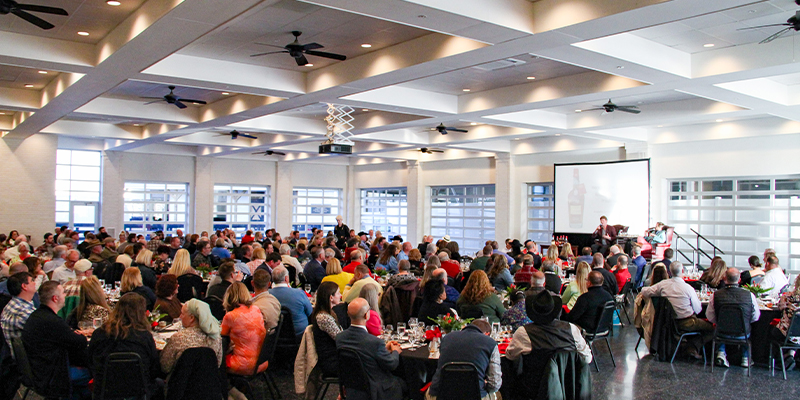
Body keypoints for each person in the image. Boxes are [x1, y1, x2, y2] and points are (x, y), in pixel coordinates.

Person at [21, 281, 91, 398]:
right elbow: (80, 342)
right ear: (55, 298)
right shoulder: (52, 321)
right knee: (95, 372)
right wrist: (81, 335)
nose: (65, 296)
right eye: (63, 293)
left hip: (39, 370)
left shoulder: (37, 316)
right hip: (51, 375)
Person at [88, 293, 161, 397]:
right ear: (141, 313)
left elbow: (90, 361)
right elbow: (154, 369)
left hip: (104, 388)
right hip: (139, 388)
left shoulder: (99, 334)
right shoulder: (144, 336)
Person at [335, 298, 405, 400]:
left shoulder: (340, 338)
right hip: (376, 389)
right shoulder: (374, 342)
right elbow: (391, 364)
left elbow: (359, 352)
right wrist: (395, 351)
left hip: (353, 388)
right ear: (366, 315)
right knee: (407, 382)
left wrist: (384, 349)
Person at [640, 262, 711, 359]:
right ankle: (692, 346)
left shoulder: (663, 285)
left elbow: (644, 291)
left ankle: (686, 346)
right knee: (712, 329)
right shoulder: (688, 288)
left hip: (666, 322)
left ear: (670, 271)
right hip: (686, 322)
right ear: (682, 271)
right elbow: (698, 310)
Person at [506, 290, 592, 365]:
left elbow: (510, 355)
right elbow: (587, 358)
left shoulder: (524, 333)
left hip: (534, 381)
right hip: (566, 380)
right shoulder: (571, 329)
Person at [427, 319, 501, 400]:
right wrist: (484, 387)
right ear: (487, 334)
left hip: (440, 394)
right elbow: (494, 383)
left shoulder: (447, 338)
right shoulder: (491, 343)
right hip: (476, 395)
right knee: (497, 395)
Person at [706, 268, 760, 368]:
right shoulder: (750, 295)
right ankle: (745, 357)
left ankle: (721, 352)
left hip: (721, 333)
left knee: (720, 324)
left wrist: (719, 322)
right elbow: (755, 317)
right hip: (742, 334)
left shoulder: (715, 295)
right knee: (748, 326)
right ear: (739, 280)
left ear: (724, 278)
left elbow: (709, 316)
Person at [160, 299, 223, 376]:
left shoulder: (178, 338)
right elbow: (217, 364)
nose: (180, 317)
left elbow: (164, 367)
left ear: (191, 318)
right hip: (207, 384)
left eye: (182, 314)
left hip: (180, 385)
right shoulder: (216, 337)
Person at [221, 282, 268, 375]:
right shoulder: (256, 309)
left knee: (215, 361)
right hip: (261, 361)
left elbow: (221, 336)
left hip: (242, 365)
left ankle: (227, 388)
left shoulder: (231, 316)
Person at [310, 281, 343, 377]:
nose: (340, 295)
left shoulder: (327, 313)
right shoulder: (324, 318)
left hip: (333, 356)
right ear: (331, 297)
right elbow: (340, 338)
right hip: (332, 362)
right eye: (338, 293)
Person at [270, 266, 313, 338]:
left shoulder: (267, 294)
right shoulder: (299, 293)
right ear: (286, 278)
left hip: (274, 336)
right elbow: (309, 312)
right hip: (300, 334)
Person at [1, 272, 36, 349]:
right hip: (29, 356)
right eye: (32, 281)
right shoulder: (24, 311)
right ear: (24, 286)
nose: (35, 283)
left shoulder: (12, 304)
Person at [773, 273, 800, 370]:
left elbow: (780, 307)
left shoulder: (787, 296)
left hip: (786, 333)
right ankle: (790, 355)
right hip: (798, 335)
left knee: (772, 330)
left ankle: (779, 359)